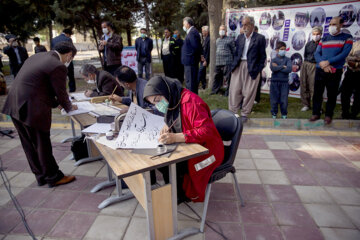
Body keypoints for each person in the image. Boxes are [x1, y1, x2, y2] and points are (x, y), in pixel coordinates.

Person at [2, 41, 78, 188]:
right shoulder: (57, 65)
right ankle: (53, 177)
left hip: (14, 104)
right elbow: (60, 93)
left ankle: (41, 176)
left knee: (28, 144)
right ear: (69, 54)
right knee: (42, 143)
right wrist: (69, 107)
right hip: (32, 109)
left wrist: (58, 103)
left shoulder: (37, 57)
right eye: (71, 58)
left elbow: (39, 86)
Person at [143, 76, 224, 203]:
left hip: (209, 152)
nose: (157, 105)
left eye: (158, 100)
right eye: (153, 103)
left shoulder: (191, 102)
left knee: (176, 165)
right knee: (162, 162)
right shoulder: (173, 98)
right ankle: (176, 192)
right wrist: (166, 126)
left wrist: (175, 137)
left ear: (166, 91)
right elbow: (173, 118)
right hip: (193, 146)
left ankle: (181, 194)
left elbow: (206, 131)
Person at [310, 17, 353, 125]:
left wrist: (328, 62)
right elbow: (317, 53)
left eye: (334, 24)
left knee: (331, 94)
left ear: (341, 25)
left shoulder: (347, 38)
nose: (331, 27)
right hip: (321, 70)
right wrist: (322, 64)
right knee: (317, 93)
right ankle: (316, 113)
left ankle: (328, 115)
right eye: (330, 24)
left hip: (334, 71)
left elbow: (343, 54)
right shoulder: (324, 39)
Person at [229, 16, 266, 123]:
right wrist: (233, 66)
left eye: (246, 24)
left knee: (249, 91)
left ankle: (245, 114)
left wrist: (258, 68)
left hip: (252, 67)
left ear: (252, 25)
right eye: (242, 24)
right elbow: (236, 53)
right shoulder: (240, 37)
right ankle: (233, 112)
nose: (244, 27)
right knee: (235, 90)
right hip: (239, 65)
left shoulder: (260, 38)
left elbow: (262, 56)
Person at [300, 26, 322, 112]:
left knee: (314, 86)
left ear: (321, 34)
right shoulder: (308, 44)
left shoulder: (323, 44)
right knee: (304, 84)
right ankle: (306, 104)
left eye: (317, 34)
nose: (315, 36)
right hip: (306, 64)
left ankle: (317, 106)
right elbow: (305, 55)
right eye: (314, 34)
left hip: (315, 65)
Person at [270, 41, 292, 119]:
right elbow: (273, 68)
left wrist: (279, 66)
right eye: (281, 49)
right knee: (274, 99)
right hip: (274, 82)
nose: (283, 51)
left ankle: (284, 115)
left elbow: (289, 69)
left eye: (284, 49)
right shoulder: (273, 59)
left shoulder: (288, 59)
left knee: (284, 100)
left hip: (284, 82)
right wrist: (283, 66)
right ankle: (274, 114)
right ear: (277, 50)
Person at [211, 25, 235, 95]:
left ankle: (228, 93)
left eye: (223, 29)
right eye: (221, 29)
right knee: (217, 77)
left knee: (228, 78)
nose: (222, 31)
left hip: (227, 62)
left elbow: (233, 51)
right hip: (218, 62)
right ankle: (215, 90)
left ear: (226, 31)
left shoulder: (230, 39)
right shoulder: (217, 40)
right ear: (219, 31)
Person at [182, 17, 203, 94]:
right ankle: (192, 99)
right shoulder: (191, 32)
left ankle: (192, 100)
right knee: (190, 82)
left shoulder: (192, 32)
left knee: (190, 83)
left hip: (190, 62)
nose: (183, 26)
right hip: (189, 61)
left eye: (184, 24)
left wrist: (191, 56)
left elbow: (196, 47)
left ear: (187, 24)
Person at [341, 40, 360, 119]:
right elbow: (347, 57)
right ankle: (345, 113)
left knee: (358, 96)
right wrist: (356, 58)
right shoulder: (355, 44)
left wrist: (355, 63)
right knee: (345, 93)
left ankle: (354, 114)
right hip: (350, 72)